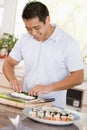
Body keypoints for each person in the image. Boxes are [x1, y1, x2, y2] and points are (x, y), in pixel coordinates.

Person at [2, 1, 84, 108]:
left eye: (37, 28)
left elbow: (78, 77)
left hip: (53, 107)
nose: (33, 33)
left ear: (47, 20)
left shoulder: (68, 43)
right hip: (25, 103)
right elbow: (8, 64)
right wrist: (12, 79)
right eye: (28, 29)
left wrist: (49, 87)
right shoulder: (24, 40)